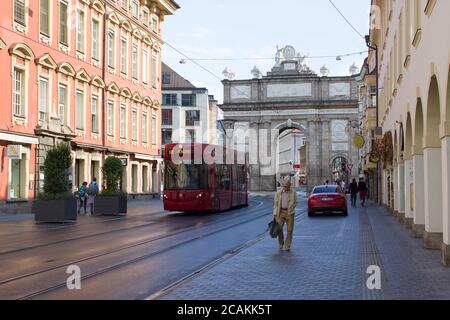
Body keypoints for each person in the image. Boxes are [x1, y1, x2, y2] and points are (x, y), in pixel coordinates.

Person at [273, 178, 298, 251]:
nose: (286, 187)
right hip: (280, 212)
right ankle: (281, 243)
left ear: (290, 185)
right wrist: (274, 214)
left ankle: (287, 245)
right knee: (279, 228)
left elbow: (296, 202)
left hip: (290, 213)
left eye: (288, 186)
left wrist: (292, 207)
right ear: (283, 185)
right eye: (285, 186)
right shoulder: (278, 193)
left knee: (290, 230)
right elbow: (276, 204)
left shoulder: (293, 192)